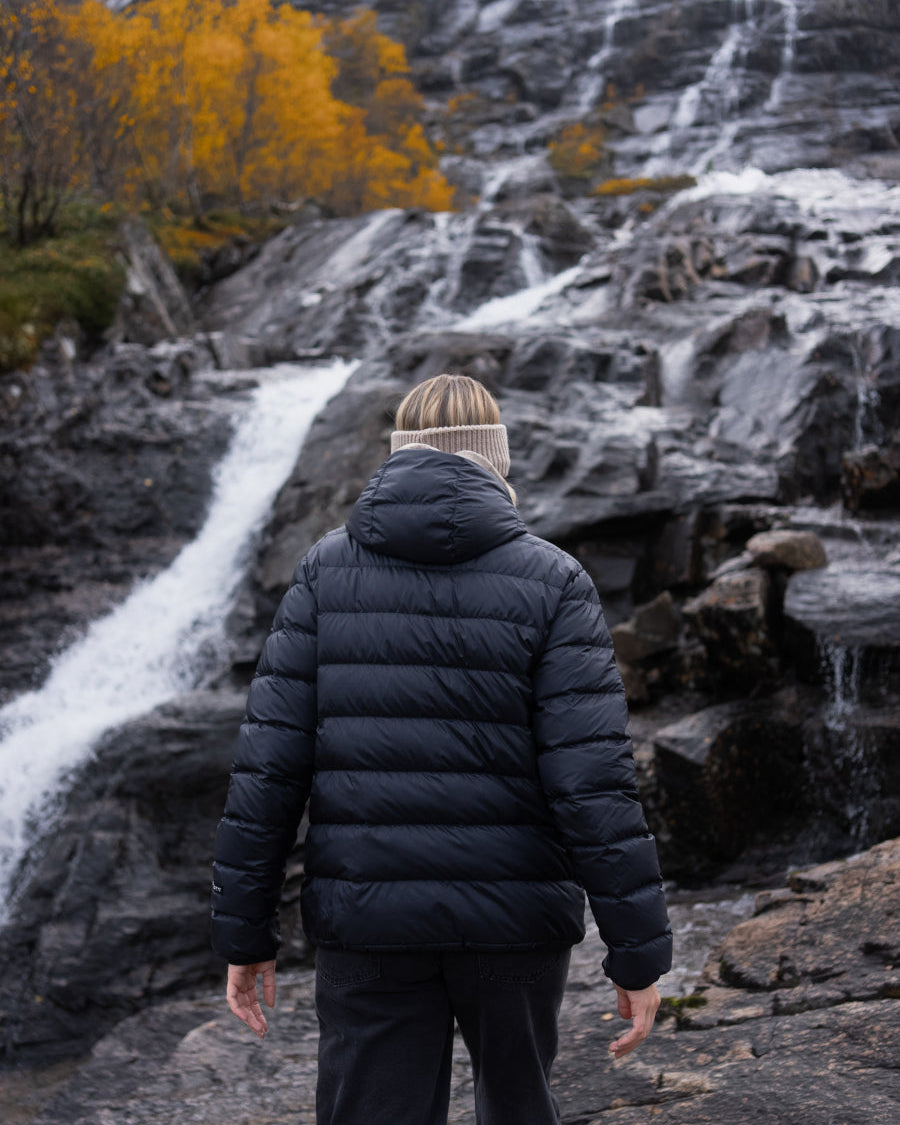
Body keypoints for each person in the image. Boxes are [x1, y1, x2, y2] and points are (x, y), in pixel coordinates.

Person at [211, 373, 672, 1125]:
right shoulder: (555, 582)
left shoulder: (325, 572)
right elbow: (592, 784)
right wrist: (637, 952)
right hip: (514, 919)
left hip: (368, 917)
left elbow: (269, 767)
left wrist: (244, 931)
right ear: (497, 459)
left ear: (399, 452)